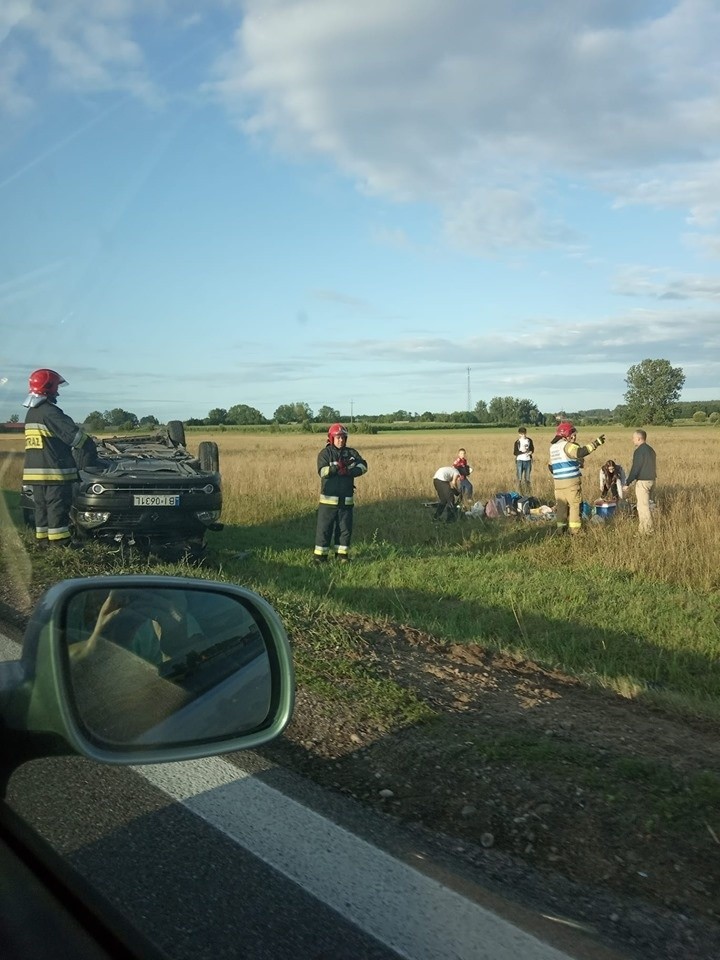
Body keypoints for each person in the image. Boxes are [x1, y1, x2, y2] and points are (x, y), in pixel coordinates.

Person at [22, 369, 97, 547]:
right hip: (54, 472)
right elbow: (76, 438)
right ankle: (60, 542)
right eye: (56, 387)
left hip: (35, 473)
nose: (58, 391)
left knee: (41, 507)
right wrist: (90, 448)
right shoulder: (50, 412)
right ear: (48, 388)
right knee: (57, 506)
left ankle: (43, 541)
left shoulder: (32, 413)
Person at [313, 423, 368, 563]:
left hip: (346, 500)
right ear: (331, 438)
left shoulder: (351, 453)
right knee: (324, 530)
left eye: (343, 437)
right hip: (328, 501)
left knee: (344, 530)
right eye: (338, 437)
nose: (341, 440)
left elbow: (363, 466)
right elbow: (322, 471)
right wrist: (336, 468)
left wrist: (350, 471)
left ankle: (342, 556)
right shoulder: (325, 454)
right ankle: (320, 557)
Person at [548, 421, 606, 534]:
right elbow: (580, 452)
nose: (574, 436)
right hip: (571, 484)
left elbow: (551, 466)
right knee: (575, 507)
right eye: (572, 434)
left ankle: (561, 530)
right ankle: (575, 531)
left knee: (561, 508)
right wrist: (596, 443)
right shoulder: (568, 446)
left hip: (558, 484)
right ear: (566, 435)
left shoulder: (553, 448)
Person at [623, 430, 657, 533]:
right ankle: (644, 529)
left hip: (643, 482)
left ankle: (647, 531)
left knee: (643, 507)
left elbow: (635, 468)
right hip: (652, 480)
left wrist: (627, 482)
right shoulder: (651, 450)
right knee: (647, 504)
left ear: (639, 438)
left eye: (633, 438)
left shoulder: (639, 451)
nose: (632, 440)